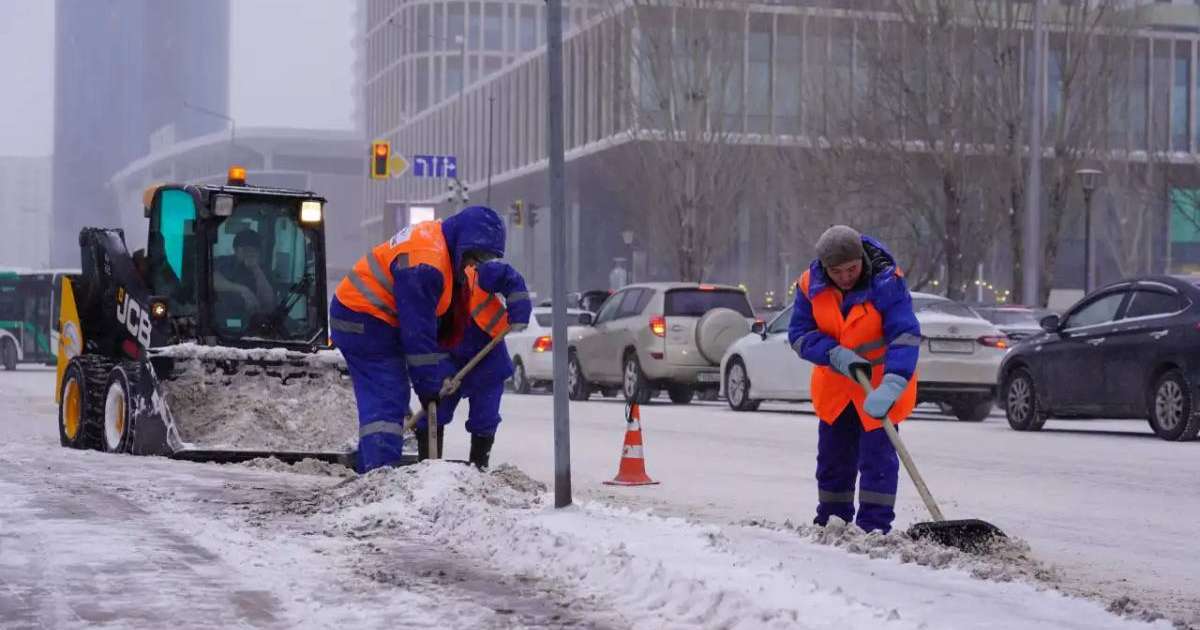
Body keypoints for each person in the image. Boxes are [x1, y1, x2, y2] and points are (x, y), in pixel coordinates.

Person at [329, 205, 507, 473]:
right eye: (475, 256)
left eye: (483, 259)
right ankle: (380, 475)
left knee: (391, 395)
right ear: (463, 242)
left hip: (372, 319)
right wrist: (427, 385)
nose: (474, 265)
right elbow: (417, 332)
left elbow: (428, 327)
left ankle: (372, 464)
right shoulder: (426, 265)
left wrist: (430, 377)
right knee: (387, 396)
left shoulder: (439, 245)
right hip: (363, 320)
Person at [787, 225, 921, 534]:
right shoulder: (809, 286)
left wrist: (894, 382)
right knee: (833, 461)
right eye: (837, 271)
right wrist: (832, 352)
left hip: (879, 388)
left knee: (878, 463)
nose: (846, 276)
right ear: (825, 267)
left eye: (852, 268)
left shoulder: (887, 282)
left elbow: (904, 334)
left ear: (861, 259)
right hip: (836, 389)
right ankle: (832, 523)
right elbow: (798, 335)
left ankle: (873, 529)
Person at [430, 260, 531, 469]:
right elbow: (427, 339)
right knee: (433, 413)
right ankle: (427, 468)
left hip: (488, 356)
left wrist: (519, 310)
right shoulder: (429, 292)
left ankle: (479, 469)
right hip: (449, 358)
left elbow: (510, 278)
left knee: (485, 418)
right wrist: (445, 373)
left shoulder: (477, 274)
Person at [214, 230, 275, 314]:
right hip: (222, 316)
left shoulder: (263, 270)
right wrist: (243, 289)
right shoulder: (224, 262)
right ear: (235, 250)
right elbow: (211, 280)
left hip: (251, 318)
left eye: (254, 251)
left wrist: (256, 269)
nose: (250, 254)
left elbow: (269, 301)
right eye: (246, 250)